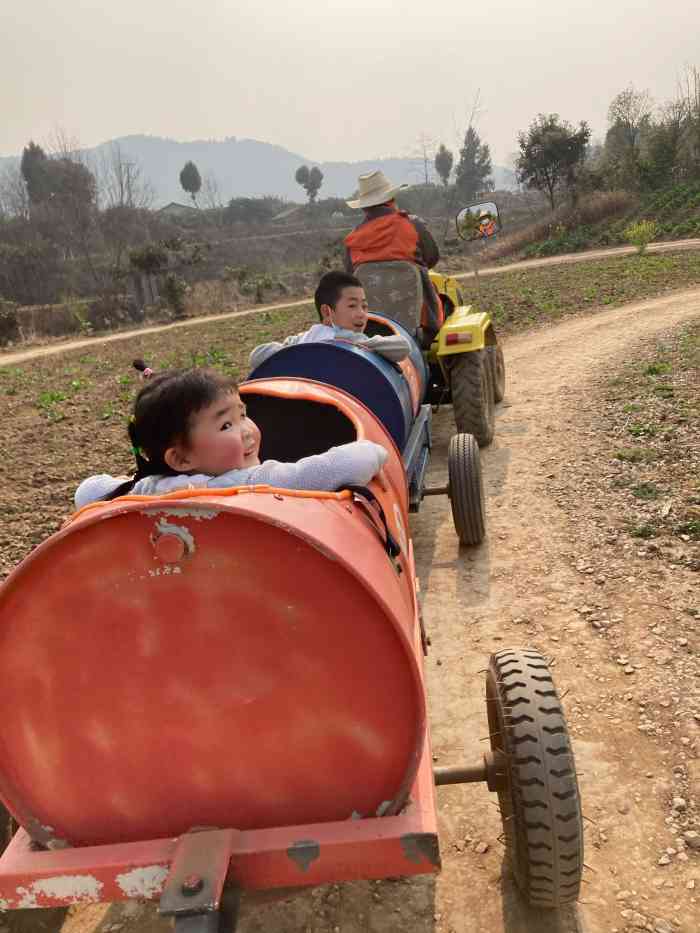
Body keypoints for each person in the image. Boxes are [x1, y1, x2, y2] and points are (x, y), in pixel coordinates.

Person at [74, 360, 388, 509]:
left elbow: (88, 490)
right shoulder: (247, 484)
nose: (247, 431)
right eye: (226, 425)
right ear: (181, 458)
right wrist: (374, 451)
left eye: (244, 415)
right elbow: (342, 466)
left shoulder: (143, 489)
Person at [343, 170, 444, 338]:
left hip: (370, 330)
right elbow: (432, 258)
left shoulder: (352, 240)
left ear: (364, 208)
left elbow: (349, 278)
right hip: (421, 327)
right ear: (391, 200)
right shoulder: (412, 226)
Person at [249, 270, 410, 370]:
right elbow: (403, 348)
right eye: (352, 306)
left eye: (364, 306)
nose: (361, 314)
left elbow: (402, 347)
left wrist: (362, 344)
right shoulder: (304, 339)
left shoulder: (350, 340)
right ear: (327, 312)